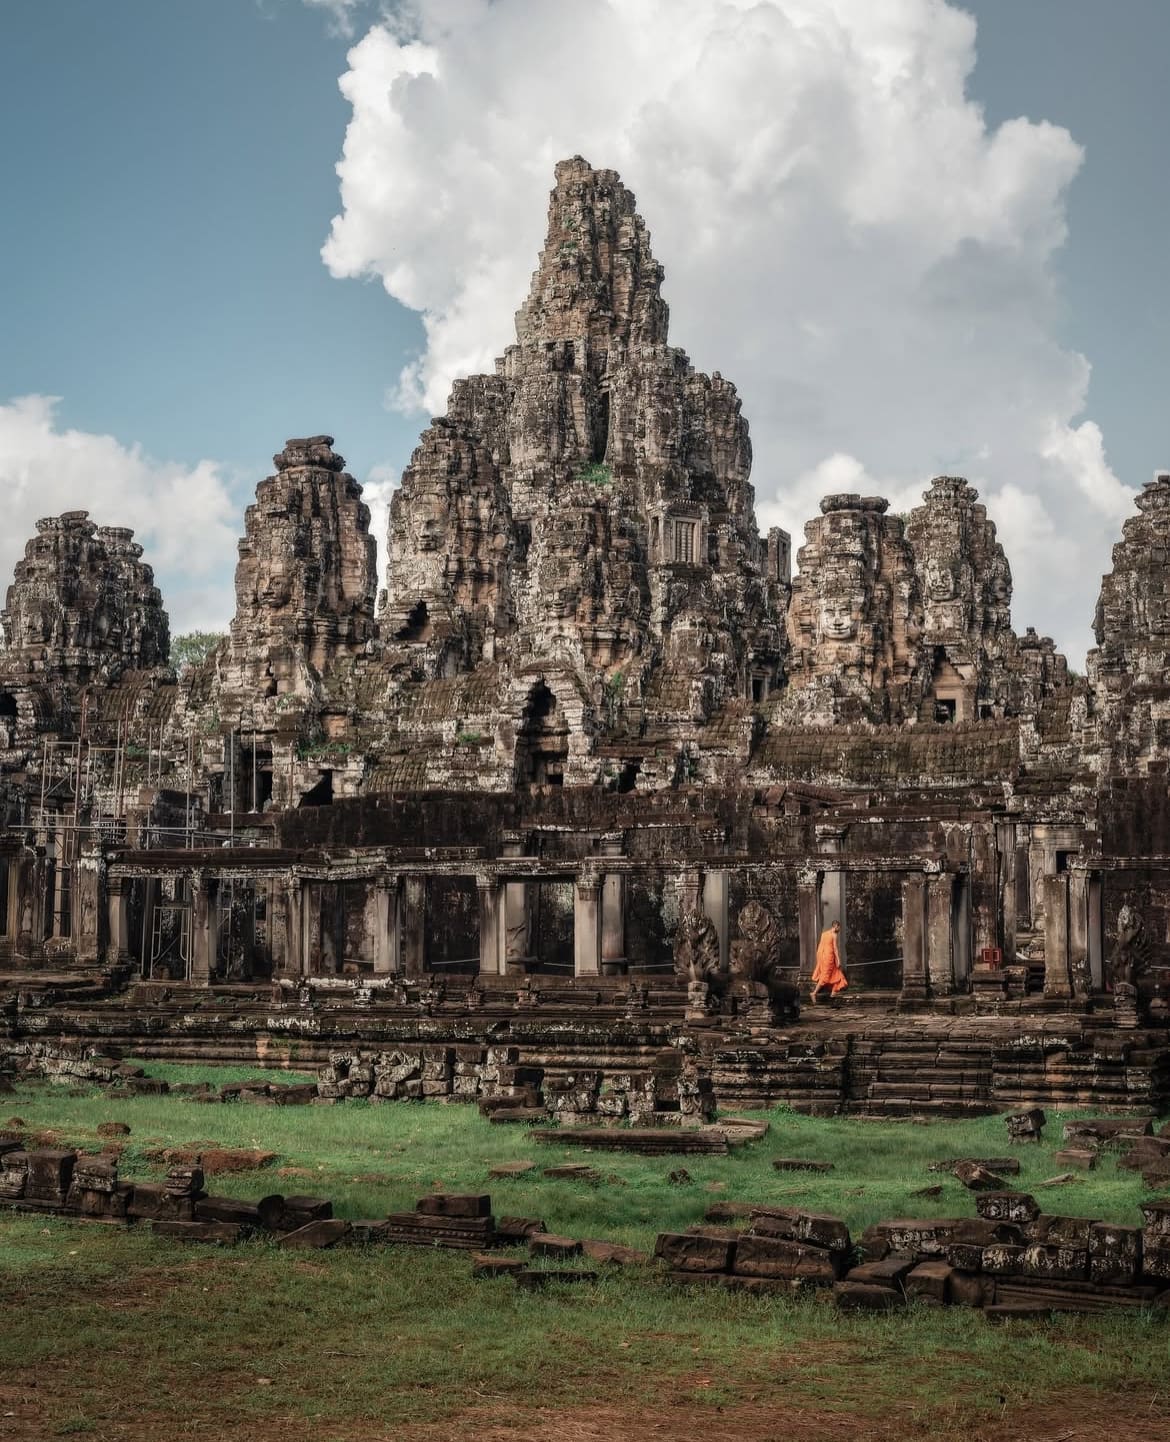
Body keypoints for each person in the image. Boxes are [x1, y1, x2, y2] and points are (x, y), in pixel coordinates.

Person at [811, 919, 848, 1001]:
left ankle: (833, 994)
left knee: (837, 975)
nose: (839, 929)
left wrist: (820, 959)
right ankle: (814, 993)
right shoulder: (834, 935)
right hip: (829, 958)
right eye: (839, 928)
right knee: (825, 977)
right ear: (836, 926)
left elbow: (820, 948)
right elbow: (835, 949)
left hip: (824, 957)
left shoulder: (824, 934)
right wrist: (838, 960)